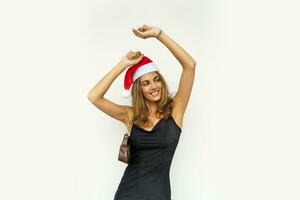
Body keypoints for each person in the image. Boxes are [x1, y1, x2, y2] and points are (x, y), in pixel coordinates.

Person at [87, 24, 196, 200]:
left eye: (156, 80)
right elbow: (94, 96)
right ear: (139, 89)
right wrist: (123, 64)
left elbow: (190, 65)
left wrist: (158, 34)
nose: (154, 86)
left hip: (159, 195)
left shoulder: (176, 109)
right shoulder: (130, 116)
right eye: (146, 83)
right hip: (128, 194)